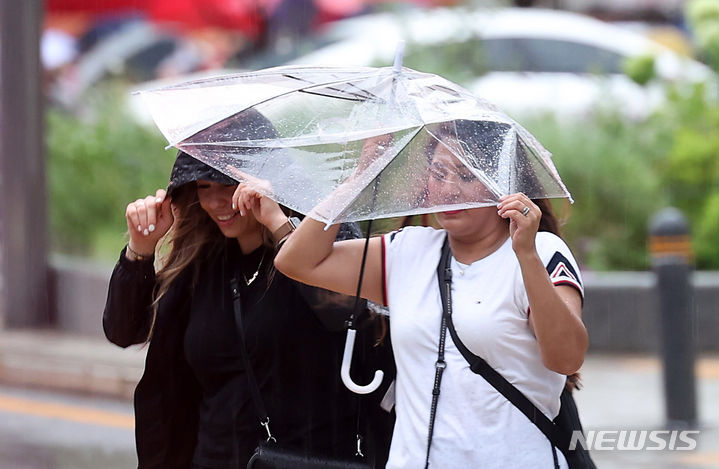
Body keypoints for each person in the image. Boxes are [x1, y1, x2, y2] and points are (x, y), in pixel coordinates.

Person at [272, 124, 589, 468]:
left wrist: (525, 255)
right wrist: (360, 178)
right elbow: (296, 261)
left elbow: (566, 358)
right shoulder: (408, 250)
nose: (449, 189)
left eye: (468, 175)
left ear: (504, 182)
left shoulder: (541, 251)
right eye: (438, 172)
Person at [102, 147, 394, 468]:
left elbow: (344, 314)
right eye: (202, 187)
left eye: (228, 185)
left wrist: (279, 224)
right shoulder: (202, 267)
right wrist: (140, 250)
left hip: (304, 458)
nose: (215, 203)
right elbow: (124, 330)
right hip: (211, 457)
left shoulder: (314, 256)